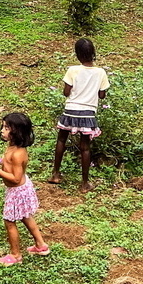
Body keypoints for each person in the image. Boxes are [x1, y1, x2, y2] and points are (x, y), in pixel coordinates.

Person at [49, 38, 110, 191]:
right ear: (93, 53)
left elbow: (66, 92)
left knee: (61, 140)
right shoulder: (100, 72)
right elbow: (102, 95)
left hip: (70, 109)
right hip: (88, 113)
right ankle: (84, 183)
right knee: (85, 147)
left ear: (77, 54)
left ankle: (55, 174)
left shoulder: (72, 70)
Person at [0, 111, 48, 265]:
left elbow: (15, 179)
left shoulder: (18, 154)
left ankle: (15, 255)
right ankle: (41, 245)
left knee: (9, 221)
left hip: (17, 191)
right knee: (25, 216)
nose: (2, 130)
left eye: (7, 128)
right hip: (21, 189)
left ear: (17, 132)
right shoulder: (12, 147)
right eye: (3, 127)